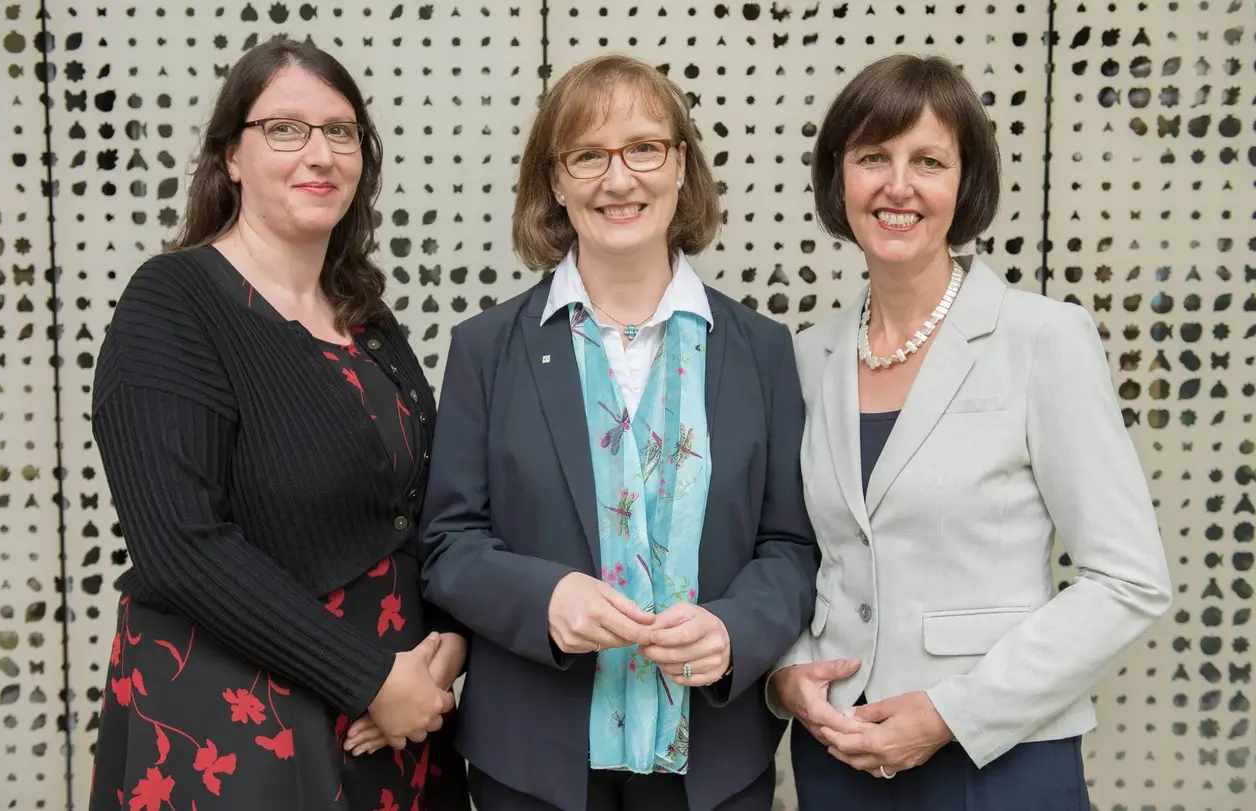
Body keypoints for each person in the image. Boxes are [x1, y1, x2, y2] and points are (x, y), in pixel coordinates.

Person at [766, 52, 1173, 810]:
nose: (897, 185)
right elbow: (797, 551)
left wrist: (952, 712)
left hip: (996, 757)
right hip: (839, 754)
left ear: (966, 183)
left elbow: (1130, 580)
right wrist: (788, 671)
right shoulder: (807, 354)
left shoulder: (1042, 339)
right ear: (838, 178)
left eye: (928, 160)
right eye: (872, 157)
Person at [418, 54, 818, 811]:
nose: (619, 177)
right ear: (556, 181)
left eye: (643, 148)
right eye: (588, 155)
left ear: (680, 168)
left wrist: (734, 631)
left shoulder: (763, 350)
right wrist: (546, 598)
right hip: (533, 760)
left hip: (713, 762)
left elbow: (791, 546)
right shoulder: (485, 349)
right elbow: (448, 543)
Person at [88, 38, 469, 811]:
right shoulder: (173, 303)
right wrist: (368, 677)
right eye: (285, 129)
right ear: (231, 155)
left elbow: (425, 506)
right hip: (242, 722)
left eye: (341, 130)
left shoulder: (367, 317)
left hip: (396, 718)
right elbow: (180, 544)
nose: (320, 153)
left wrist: (448, 645)